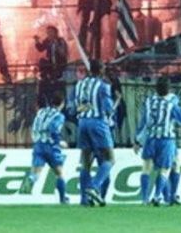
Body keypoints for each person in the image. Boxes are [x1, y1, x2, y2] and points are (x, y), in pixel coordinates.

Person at [134, 77, 181, 206]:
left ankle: (145, 199)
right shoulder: (172, 103)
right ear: (169, 89)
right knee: (165, 169)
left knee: (146, 168)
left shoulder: (149, 102)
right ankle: (158, 196)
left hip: (150, 139)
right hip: (167, 140)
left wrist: (137, 140)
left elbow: (142, 121)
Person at [72, 59, 114, 207]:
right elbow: (108, 108)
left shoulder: (79, 85)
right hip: (97, 124)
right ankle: (94, 187)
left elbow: (74, 107)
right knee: (110, 159)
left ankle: (85, 200)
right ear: (101, 71)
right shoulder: (103, 86)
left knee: (86, 163)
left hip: (82, 124)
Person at [23, 92, 70, 204]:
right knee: (59, 173)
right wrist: (60, 142)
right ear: (62, 104)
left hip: (38, 145)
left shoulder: (41, 112)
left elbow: (34, 126)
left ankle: (30, 179)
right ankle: (63, 199)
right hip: (51, 147)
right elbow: (54, 129)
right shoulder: (59, 116)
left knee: (36, 172)